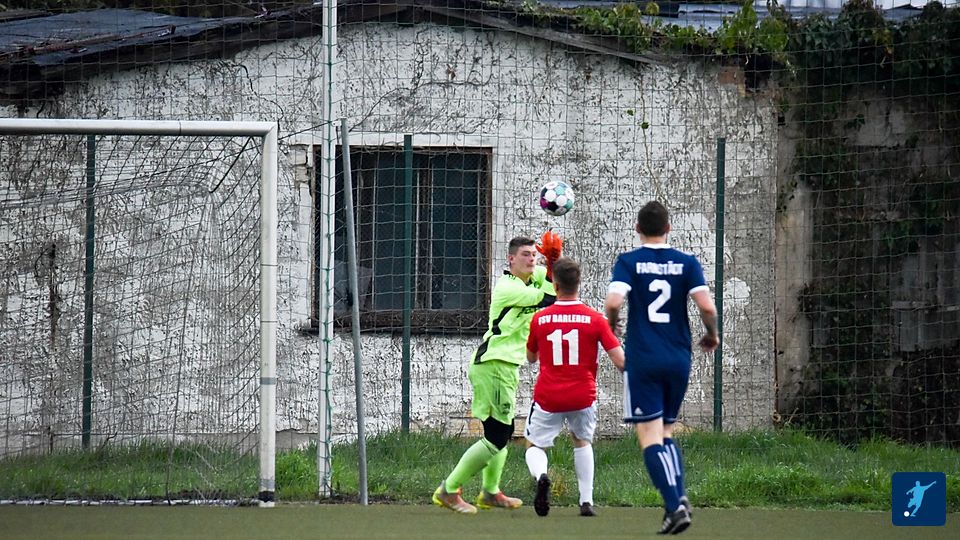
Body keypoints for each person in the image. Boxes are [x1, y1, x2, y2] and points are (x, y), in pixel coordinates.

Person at [603, 201, 719, 535]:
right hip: (678, 358)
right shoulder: (687, 262)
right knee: (666, 431)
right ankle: (678, 500)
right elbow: (707, 307)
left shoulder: (629, 261)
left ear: (637, 229)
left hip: (643, 359)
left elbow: (613, 302)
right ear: (668, 228)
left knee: (649, 436)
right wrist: (711, 334)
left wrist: (612, 323)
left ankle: (674, 504)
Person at [433, 232, 562, 514]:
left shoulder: (536, 277)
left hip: (506, 366)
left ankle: (490, 492)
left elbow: (559, 282)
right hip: (493, 364)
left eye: (535, 255)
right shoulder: (507, 286)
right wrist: (551, 268)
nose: (531, 259)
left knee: (503, 431)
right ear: (511, 259)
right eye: (525, 255)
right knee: (497, 435)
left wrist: (555, 261)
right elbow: (549, 299)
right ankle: (449, 490)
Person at [524, 257, 625, 518]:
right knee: (582, 441)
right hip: (583, 395)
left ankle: (542, 476)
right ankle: (586, 501)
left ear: (555, 285)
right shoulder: (596, 320)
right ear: (579, 284)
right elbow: (621, 361)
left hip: (549, 395)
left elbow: (531, 358)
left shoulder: (539, 319)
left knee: (534, 445)